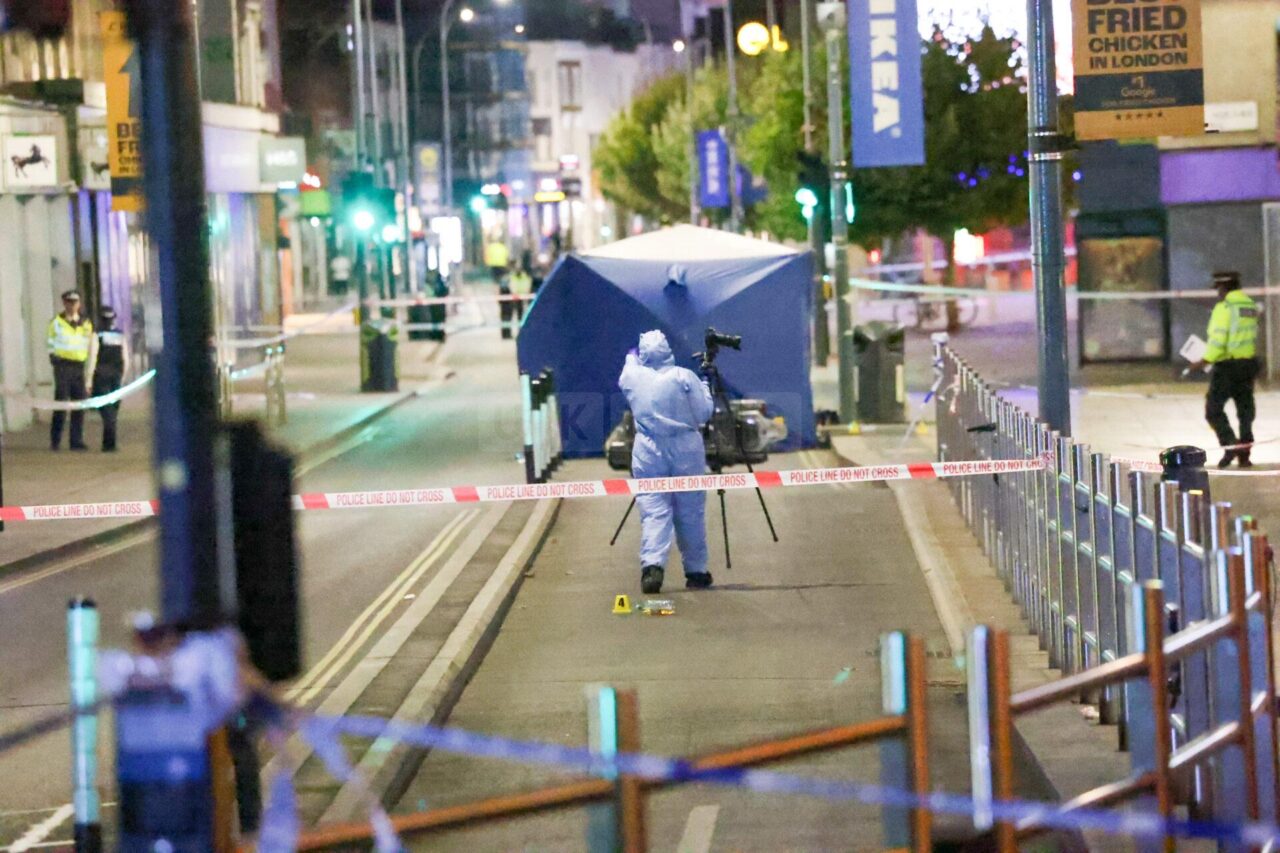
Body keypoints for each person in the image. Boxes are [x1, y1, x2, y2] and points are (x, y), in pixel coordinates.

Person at [618, 330, 715, 593]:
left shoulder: (632, 377)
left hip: (648, 448)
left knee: (653, 508)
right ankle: (696, 570)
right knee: (690, 510)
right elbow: (704, 413)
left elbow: (629, 364)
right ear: (668, 350)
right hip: (686, 447)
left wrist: (633, 355)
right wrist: (706, 384)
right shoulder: (684, 377)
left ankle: (652, 565)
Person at [1188, 271, 1260, 468]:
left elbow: (1218, 339)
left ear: (1223, 287)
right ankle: (1245, 454)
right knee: (1245, 411)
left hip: (1228, 367)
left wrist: (1204, 360)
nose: (1218, 293)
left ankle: (1230, 446)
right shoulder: (1249, 305)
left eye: (1218, 289)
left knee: (1213, 409)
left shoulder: (1225, 307)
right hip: (1248, 365)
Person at [47, 290, 94, 451]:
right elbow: (50, 343)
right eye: (69, 302)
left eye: (75, 302)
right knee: (61, 402)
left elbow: (89, 345)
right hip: (63, 366)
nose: (72, 305)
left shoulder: (86, 323)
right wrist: (54, 359)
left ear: (79, 304)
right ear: (64, 303)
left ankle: (76, 441)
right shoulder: (56, 322)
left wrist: (89, 372)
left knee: (79, 405)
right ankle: (55, 440)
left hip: (78, 367)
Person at [90, 305, 129, 452]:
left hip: (101, 376)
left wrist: (88, 379)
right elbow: (125, 358)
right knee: (113, 411)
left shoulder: (97, 335)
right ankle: (108, 443)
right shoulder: (119, 335)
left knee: (106, 412)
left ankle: (109, 443)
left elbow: (93, 358)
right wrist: (123, 377)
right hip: (116, 376)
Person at [508, 263, 533, 330]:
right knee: (517, 313)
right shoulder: (513, 276)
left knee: (524, 314)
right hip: (516, 297)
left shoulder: (525, 276)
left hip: (525, 297)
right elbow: (511, 285)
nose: (517, 270)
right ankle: (519, 328)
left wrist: (526, 293)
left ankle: (522, 328)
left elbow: (527, 285)